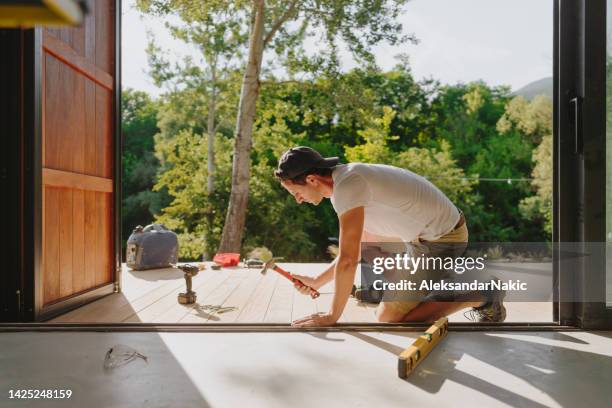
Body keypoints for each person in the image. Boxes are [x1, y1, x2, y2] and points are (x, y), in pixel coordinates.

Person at [274, 146, 506, 327]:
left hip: (442, 240)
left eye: (296, 192)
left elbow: (347, 259)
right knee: (369, 247)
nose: (298, 199)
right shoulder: (345, 181)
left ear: (312, 180)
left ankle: (483, 295)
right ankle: (398, 291)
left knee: (389, 318)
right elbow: (357, 249)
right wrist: (316, 282)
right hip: (420, 236)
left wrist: (332, 316)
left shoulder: (348, 187)